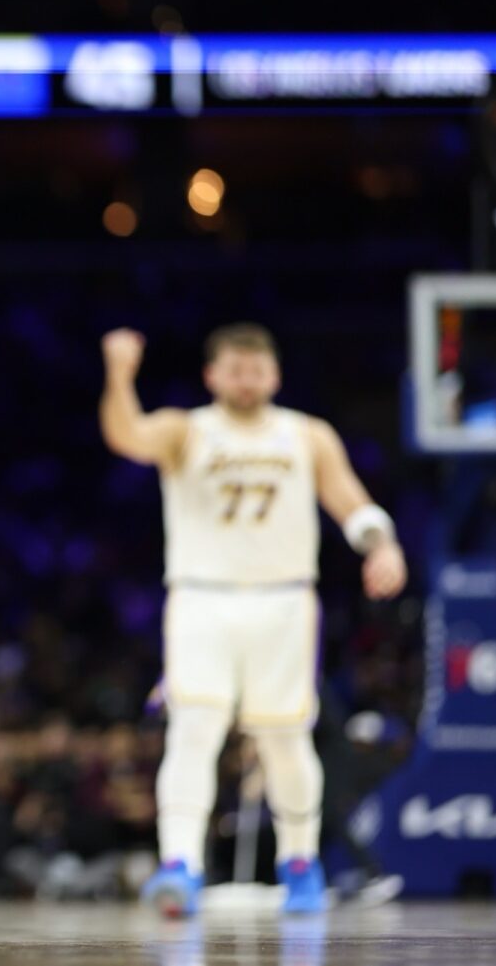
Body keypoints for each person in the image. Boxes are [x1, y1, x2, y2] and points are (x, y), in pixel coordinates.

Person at [99, 324, 407, 917]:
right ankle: (179, 865)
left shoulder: (306, 434)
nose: (247, 380)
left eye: (257, 370)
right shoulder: (186, 429)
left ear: (276, 375)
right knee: (193, 729)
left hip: (283, 601)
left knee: (284, 738)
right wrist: (119, 374)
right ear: (212, 375)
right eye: (236, 370)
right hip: (201, 598)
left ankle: (300, 862)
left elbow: (350, 500)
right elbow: (126, 435)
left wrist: (381, 544)